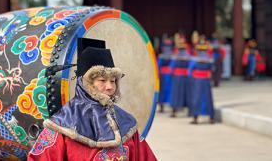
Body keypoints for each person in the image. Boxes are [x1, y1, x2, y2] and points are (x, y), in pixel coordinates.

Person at [27, 39, 157, 161]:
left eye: (113, 81)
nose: (110, 87)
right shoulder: (61, 124)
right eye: (102, 80)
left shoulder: (126, 123)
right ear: (86, 82)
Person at [188, 35, 215, 124]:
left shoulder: (195, 59)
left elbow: (190, 70)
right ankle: (211, 118)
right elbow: (213, 69)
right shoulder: (209, 59)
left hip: (197, 81)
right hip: (206, 80)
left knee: (196, 98)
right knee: (207, 98)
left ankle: (196, 118)